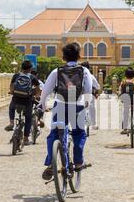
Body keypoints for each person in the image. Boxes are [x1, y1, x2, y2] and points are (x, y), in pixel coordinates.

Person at [39, 43, 93, 180]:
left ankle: (51, 162)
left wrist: (43, 104)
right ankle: (79, 161)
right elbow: (88, 91)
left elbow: (46, 90)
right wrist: (86, 106)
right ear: (79, 56)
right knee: (79, 133)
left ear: (63, 57)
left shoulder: (57, 71)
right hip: (78, 105)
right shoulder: (84, 71)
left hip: (60, 105)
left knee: (54, 134)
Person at [5, 60, 41, 145]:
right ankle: (25, 139)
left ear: (22, 67)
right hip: (27, 100)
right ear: (30, 68)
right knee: (28, 118)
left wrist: (12, 91)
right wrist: (37, 96)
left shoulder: (16, 75)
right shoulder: (33, 77)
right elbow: (38, 89)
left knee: (11, 108)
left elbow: (11, 86)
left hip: (16, 98)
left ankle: (11, 122)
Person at [81, 61, 100, 130]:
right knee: (92, 109)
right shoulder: (91, 76)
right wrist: (97, 88)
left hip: (79, 96)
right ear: (89, 68)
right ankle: (93, 125)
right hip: (89, 95)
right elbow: (97, 86)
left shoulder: (78, 76)